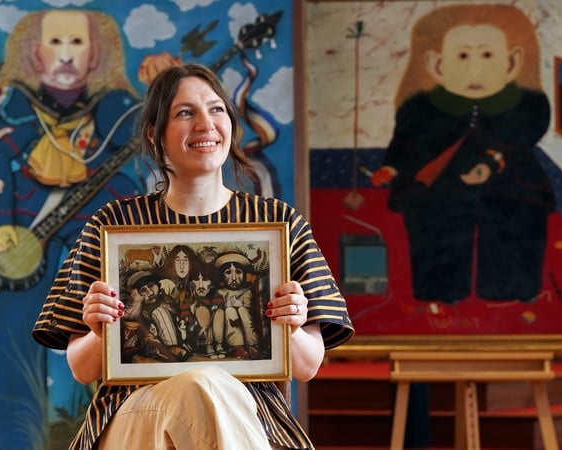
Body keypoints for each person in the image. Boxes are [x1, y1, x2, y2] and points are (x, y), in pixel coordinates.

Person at [33, 62, 354, 450]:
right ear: (154, 133)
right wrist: (101, 331)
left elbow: (306, 366)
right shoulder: (113, 226)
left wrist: (293, 324)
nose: (206, 123)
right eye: (185, 113)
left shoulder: (279, 225)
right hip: (136, 414)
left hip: (251, 419)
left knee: (208, 387)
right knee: (199, 385)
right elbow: (82, 368)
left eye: (216, 109)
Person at [0, 10, 144, 449]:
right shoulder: (6, 105)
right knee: (1, 310)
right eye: (55, 43)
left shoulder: (116, 108)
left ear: (96, 54)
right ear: (33, 53)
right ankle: (0, 433)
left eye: (78, 43)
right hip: (18, 220)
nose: (67, 55)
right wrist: (0, 224)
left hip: (90, 214)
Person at [370, 4, 555, 304]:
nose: (474, 68)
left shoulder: (528, 103)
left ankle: (509, 289)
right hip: (440, 187)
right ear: (436, 65)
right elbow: (405, 141)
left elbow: (521, 137)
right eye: (462, 56)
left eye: (486, 55)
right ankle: (440, 290)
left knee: (518, 220)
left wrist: (492, 162)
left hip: (510, 182)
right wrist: (391, 167)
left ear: (512, 62)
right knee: (434, 224)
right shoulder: (421, 106)